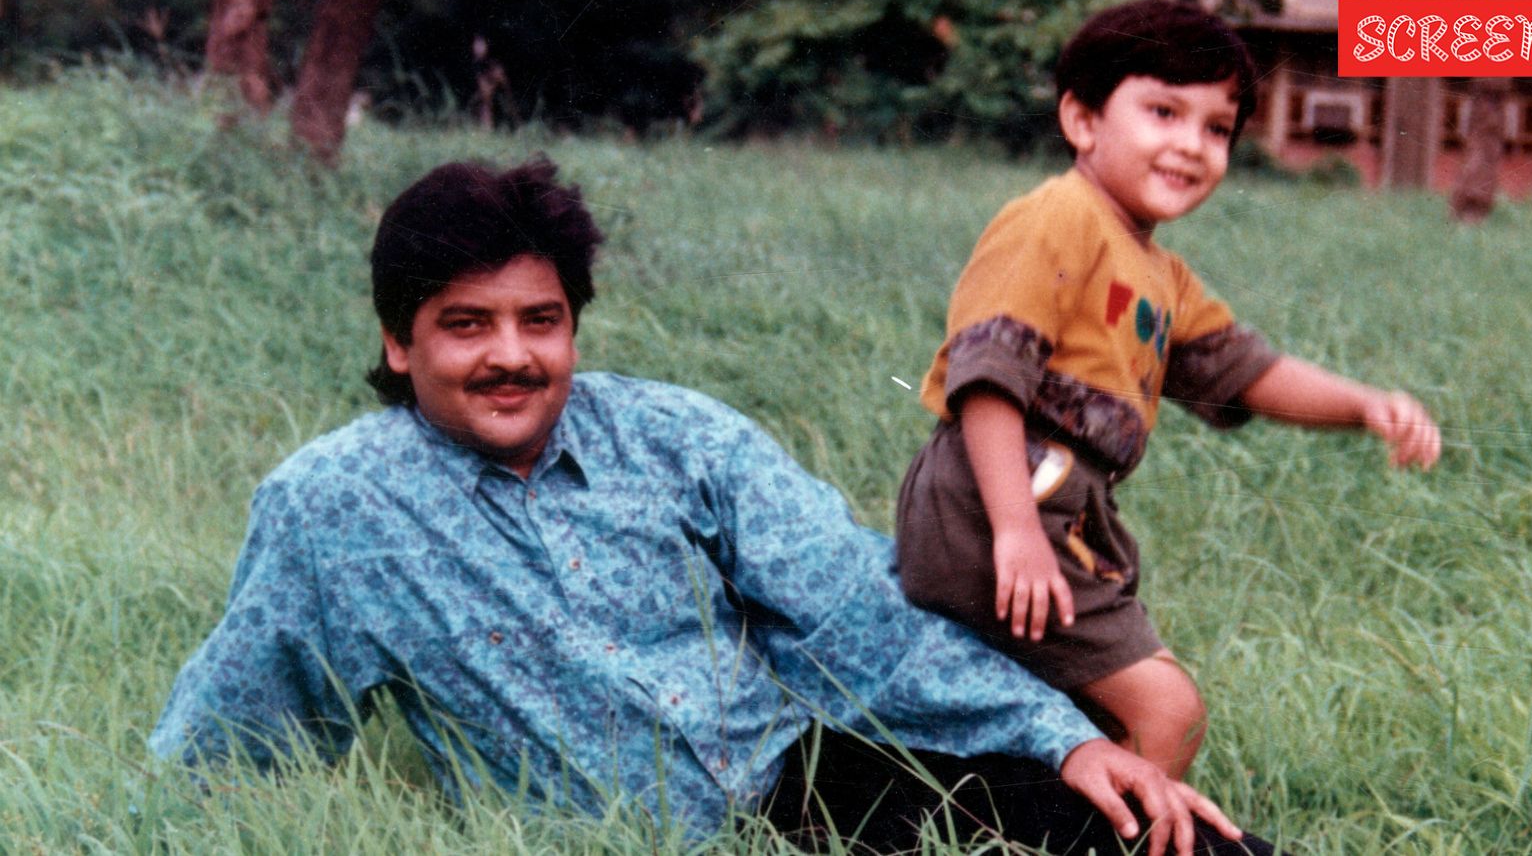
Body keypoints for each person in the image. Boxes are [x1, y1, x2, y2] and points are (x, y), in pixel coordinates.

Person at [149, 157, 1282, 854]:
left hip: (811, 778)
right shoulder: (335, 507)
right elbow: (233, 739)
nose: (511, 356)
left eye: (541, 321)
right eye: (465, 325)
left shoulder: (677, 437)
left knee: (1163, 837)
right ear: (399, 344)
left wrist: (1061, 740)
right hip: (612, 840)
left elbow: (862, 618)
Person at [896, 0, 1441, 781]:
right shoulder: (1057, 217)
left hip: (1061, 511)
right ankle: (1109, 830)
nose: (1191, 145)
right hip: (995, 503)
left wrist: (1364, 406)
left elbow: (1243, 373)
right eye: (1163, 112)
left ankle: (1029, 814)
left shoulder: (1161, 274)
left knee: (1080, 712)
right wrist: (1013, 531)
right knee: (1165, 710)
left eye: (1217, 128)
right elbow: (988, 376)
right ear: (1082, 121)